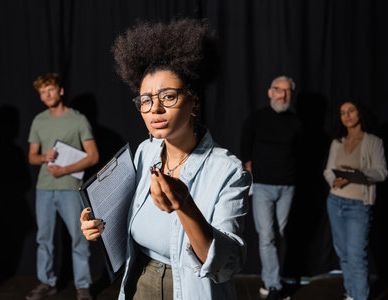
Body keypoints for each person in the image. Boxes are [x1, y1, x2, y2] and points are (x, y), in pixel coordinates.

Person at [80, 19, 251, 300]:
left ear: (194, 101)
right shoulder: (145, 152)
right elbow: (130, 220)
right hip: (139, 280)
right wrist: (99, 227)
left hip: (188, 287)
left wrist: (185, 206)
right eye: (145, 100)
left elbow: (226, 265)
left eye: (168, 96)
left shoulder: (227, 170)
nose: (155, 109)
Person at [26, 73, 99, 300]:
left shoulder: (78, 119)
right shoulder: (39, 120)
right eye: (42, 92)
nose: (47, 94)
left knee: (78, 237)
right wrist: (43, 158)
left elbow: (93, 156)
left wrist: (64, 170)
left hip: (70, 187)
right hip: (44, 188)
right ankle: (47, 282)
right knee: (44, 239)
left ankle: (83, 286)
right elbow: (32, 157)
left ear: (60, 91)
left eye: (51, 89)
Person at [241, 76, 301, 300]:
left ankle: (280, 278)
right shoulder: (257, 118)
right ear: (270, 92)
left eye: (287, 91)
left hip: (288, 187)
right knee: (266, 235)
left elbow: (301, 154)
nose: (282, 95)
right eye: (278, 90)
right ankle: (273, 285)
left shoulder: (296, 122)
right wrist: (251, 172)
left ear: (291, 95)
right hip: (263, 186)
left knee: (286, 234)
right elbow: (245, 149)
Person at [323, 101, 387, 300]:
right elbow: (327, 171)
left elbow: (382, 172)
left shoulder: (373, 142)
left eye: (351, 111)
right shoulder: (337, 142)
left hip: (358, 206)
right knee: (343, 255)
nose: (347, 115)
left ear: (360, 113)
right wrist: (335, 180)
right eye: (342, 112)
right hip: (335, 203)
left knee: (357, 258)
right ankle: (351, 294)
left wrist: (359, 173)